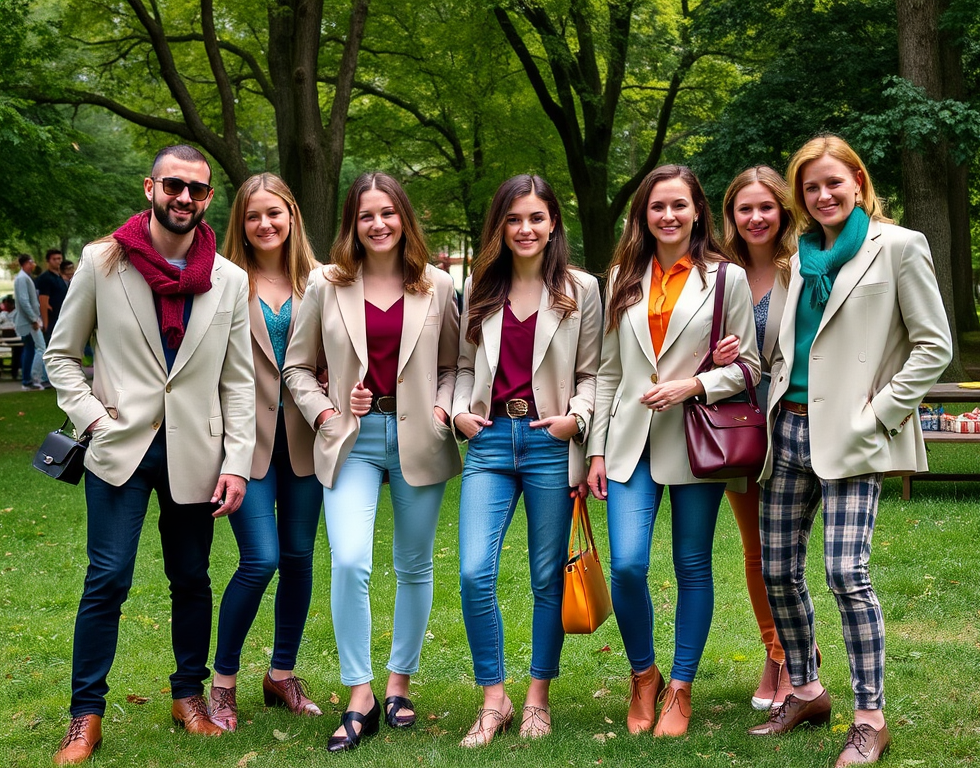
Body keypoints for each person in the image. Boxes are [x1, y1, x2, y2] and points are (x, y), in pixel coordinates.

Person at [45, 145, 256, 765]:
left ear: (208, 197)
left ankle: (187, 698)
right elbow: (61, 355)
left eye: (196, 189)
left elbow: (238, 381)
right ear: (150, 188)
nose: (183, 198)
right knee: (106, 579)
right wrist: (93, 419)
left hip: (197, 453)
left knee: (191, 578)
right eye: (173, 186)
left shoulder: (229, 279)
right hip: (119, 448)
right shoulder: (101, 261)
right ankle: (86, 716)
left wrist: (237, 460)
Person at [747, 135, 951, 768]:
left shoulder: (898, 247)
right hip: (789, 429)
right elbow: (795, 343)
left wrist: (880, 416)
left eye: (834, 182)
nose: (823, 195)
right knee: (777, 569)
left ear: (858, 182)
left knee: (844, 572)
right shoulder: (797, 256)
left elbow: (933, 346)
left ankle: (870, 718)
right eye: (810, 187)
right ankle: (806, 691)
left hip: (856, 433)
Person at [283, 172, 462, 753]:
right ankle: (359, 692)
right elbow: (296, 369)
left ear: (403, 218)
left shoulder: (436, 285)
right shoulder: (324, 284)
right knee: (350, 560)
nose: (378, 224)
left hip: (419, 438)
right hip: (351, 439)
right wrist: (328, 413)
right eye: (366, 215)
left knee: (413, 565)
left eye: (388, 213)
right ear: (351, 224)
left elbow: (458, 365)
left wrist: (443, 406)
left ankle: (398, 684)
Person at [587, 165, 760, 738]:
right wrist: (594, 451)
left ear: (697, 211)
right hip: (628, 441)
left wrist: (696, 384)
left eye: (679, 206)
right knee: (629, 565)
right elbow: (609, 372)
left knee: (692, 566)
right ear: (643, 213)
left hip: (695, 443)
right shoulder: (620, 277)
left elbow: (749, 368)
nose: (668, 216)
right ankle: (644, 676)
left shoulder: (726, 278)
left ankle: (681, 687)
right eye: (657, 206)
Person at [452, 174, 601, 747]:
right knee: (473, 571)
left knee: (546, 577)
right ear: (500, 226)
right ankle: (495, 700)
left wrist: (578, 420)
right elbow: (465, 368)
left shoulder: (581, 290)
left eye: (536, 217)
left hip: (549, 442)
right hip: (489, 442)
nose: (525, 229)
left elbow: (594, 373)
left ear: (553, 223)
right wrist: (463, 412)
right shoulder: (479, 288)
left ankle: (537, 697)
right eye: (513, 219)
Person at [207, 173, 323, 731]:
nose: (265, 224)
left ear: (292, 215)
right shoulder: (222, 281)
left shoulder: (322, 282)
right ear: (241, 224)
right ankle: (223, 683)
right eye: (253, 216)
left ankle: (281, 674)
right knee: (261, 559)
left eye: (274, 213)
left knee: (299, 559)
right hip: (243, 443)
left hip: (304, 442)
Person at [713, 166, 797, 710]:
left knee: (784, 550)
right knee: (755, 549)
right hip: (738, 424)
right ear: (731, 216)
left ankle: (791, 662)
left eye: (766, 206)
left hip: (791, 418)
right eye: (745, 208)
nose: (756, 217)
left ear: (783, 210)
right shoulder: (719, 274)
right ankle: (776, 653)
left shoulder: (805, 269)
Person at [13, 253, 47, 390]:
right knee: (40, 348)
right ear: (26, 263)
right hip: (28, 321)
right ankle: (32, 378)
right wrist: (34, 319)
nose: (33, 265)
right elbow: (23, 300)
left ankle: (27, 379)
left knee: (30, 349)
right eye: (31, 262)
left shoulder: (25, 278)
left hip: (30, 319)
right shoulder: (22, 278)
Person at [37, 248, 69, 340]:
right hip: (52, 319)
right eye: (54, 259)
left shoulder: (59, 277)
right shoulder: (46, 278)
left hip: (61, 316)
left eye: (59, 258)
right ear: (48, 261)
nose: (57, 261)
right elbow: (43, 302)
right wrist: (45, 325)